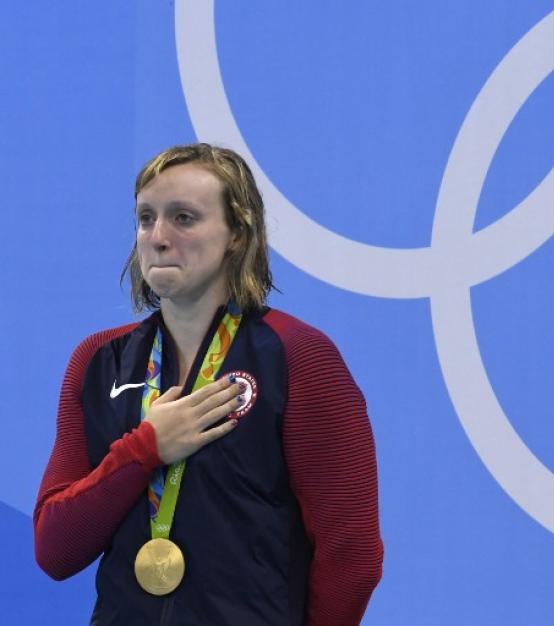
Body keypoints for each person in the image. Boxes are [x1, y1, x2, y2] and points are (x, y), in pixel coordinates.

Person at [33, 143, 383, 625]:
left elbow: (352, 554)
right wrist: (145, 450)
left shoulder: (298, 356)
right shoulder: (98, 361)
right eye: (145, 218)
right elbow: (55, 549)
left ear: (237, 233)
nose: (158, 237)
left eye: (184, 218)